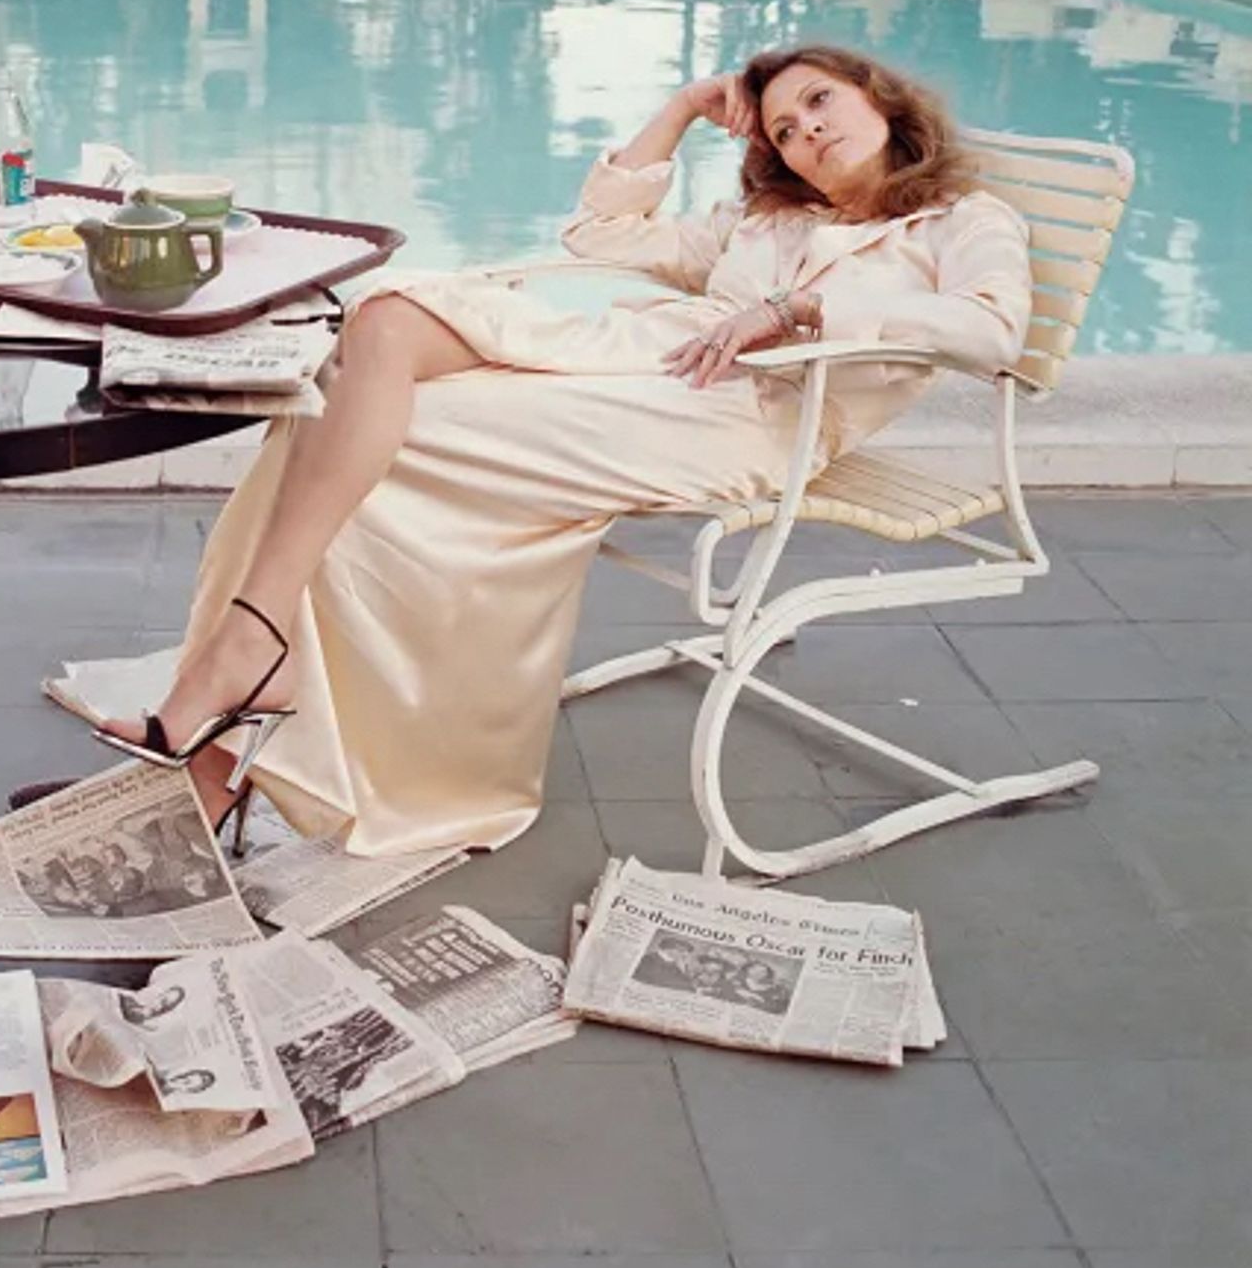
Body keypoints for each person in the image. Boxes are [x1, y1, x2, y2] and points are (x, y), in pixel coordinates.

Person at [92, 44, 1032, 858]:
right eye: (782, 128)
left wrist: (800, 307)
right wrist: (680, 110)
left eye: (819, 102)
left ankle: (220, 742)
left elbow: (991, 335)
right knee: (375, 330)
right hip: (643, 363)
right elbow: (601, 234)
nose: (806, 132)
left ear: (879, 97)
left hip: (747, 420)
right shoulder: (771, 220)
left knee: (362, 433)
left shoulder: (964, 221)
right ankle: (249, 661)